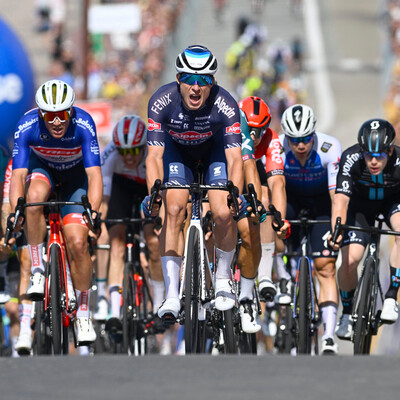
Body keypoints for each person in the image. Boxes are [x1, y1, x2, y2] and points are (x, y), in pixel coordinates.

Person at [143, 45, 243, 324]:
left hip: (214, 154)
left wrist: (233, 191)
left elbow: (235, 158)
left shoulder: (226, 104)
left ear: (213, 82)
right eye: (189, 79)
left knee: (223, 211)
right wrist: (155, 194)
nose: (196, 87)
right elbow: (154, 156)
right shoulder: (160, 102)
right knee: (173, 209)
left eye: (204, 80)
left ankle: (223, 279)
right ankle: (172, 294)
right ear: (178, 79)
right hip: (178, 154)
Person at [9, 79, 103, 347]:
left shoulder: (84, 124)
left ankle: (83, 314)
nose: (57, 122)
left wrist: (93, 213)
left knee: (77, 242)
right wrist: (17, 208)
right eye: (50, 116)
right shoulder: (27, 126)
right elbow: (18, 175)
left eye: (62, 115)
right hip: (44, 171)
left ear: (71, 112)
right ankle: (38, 267)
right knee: (33, 199)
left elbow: (94, 176)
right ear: (40, 114)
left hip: (76, 179)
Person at [329, 118, 400, 340]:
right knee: (350, 261)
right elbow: (340, 201)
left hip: (391, 204)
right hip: (360, 208)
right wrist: (336, 231)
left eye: (379, 155)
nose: (373, 161)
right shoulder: (351, 158)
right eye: (368, 155)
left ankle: (390, 298)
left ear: (390, 151)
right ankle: (347, 313)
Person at [279, 104, 342, 354]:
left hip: (321, 205)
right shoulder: (277, 148)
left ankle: (328, 335)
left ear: (314, 134)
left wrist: (337, 228)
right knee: (274, 232)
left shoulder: (329, 147)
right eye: (294, 140)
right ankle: (284, 277)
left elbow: (337, 195)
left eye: (306, 138)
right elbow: (275, 188)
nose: (301, 145)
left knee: (325, 268)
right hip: (290, 202)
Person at [95, 115, 165, 335]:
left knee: (152, 240)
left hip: (147, 189)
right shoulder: (110, 155)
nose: (128, 157)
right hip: (121, 189)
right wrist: (100, 225)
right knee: (116, 241)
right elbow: (104, 199)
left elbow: (163, 198)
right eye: (124, 152)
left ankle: (160, 304)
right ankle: (114, 311)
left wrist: (161, 223)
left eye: (134, 151)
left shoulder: (155, 154)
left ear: (144, 146)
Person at [237, 96, 289, 333]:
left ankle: (266, 274)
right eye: (250, 130)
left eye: (260, 131)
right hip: (234, 169)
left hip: (258, 172)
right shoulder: (231, 131)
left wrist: (279, 218)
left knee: (266, 199)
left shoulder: (271, 139)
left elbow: (277, 182)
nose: (255, 136)